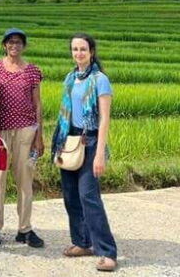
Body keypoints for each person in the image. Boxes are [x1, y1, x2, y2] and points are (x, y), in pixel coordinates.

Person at [52, 33, 117, 272]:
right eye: (75, 49)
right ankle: (82, 242)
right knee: (71, 196)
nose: (78, 53)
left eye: (83, 49)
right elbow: (65, 115)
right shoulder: (70, 78)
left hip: (90, 141)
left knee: (89, 197)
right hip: (69, 141)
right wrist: (59, 144)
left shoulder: (100, 80)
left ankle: (107, 252)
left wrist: (100, 153)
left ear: (91, 52)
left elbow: (105, 119)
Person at [0, 28, 45, 248]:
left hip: (26, 131)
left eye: (19, 42)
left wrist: (39, 135)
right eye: (10, 42)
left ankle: (25, 229)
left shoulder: (32, 71)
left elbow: (38, 103)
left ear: (24, 46)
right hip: (0, 132)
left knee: (25, 181)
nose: (14, 46)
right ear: (4, 45)